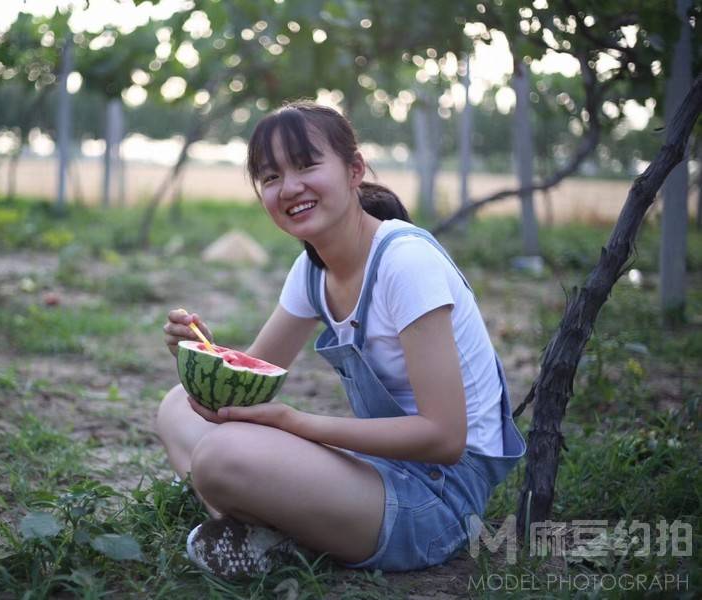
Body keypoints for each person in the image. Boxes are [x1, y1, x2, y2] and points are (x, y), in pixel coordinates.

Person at [157, 100, 525, 579]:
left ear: (354, 170)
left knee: (220, 458)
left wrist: (294, 422)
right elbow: (244, 381)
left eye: (307, 165)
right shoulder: (313, 270)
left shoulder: (404, 262)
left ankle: (266, 530)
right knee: (175, 407)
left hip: (440, 498)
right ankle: (271, 534)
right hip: (379, 466)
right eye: (270, 178)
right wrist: (199, 353)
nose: (290, 188)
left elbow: (445, 438)